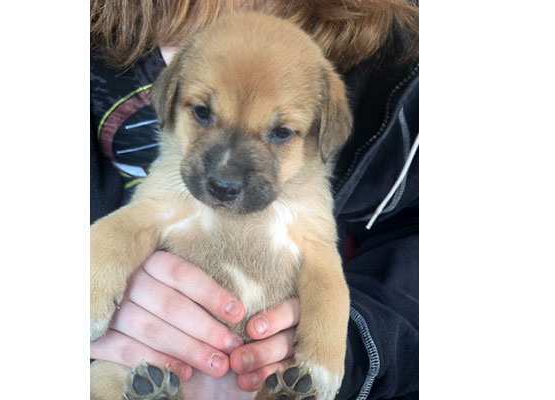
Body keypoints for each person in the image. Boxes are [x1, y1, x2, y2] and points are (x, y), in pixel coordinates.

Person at [90, 1, 419, 399]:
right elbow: (131, 226)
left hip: (261, 376)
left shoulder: (394, 48)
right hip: (137, 358)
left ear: (323, 133)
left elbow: (351, 262)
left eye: (279, 133)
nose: (226, 174)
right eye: (203, 114)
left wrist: (342, 351)